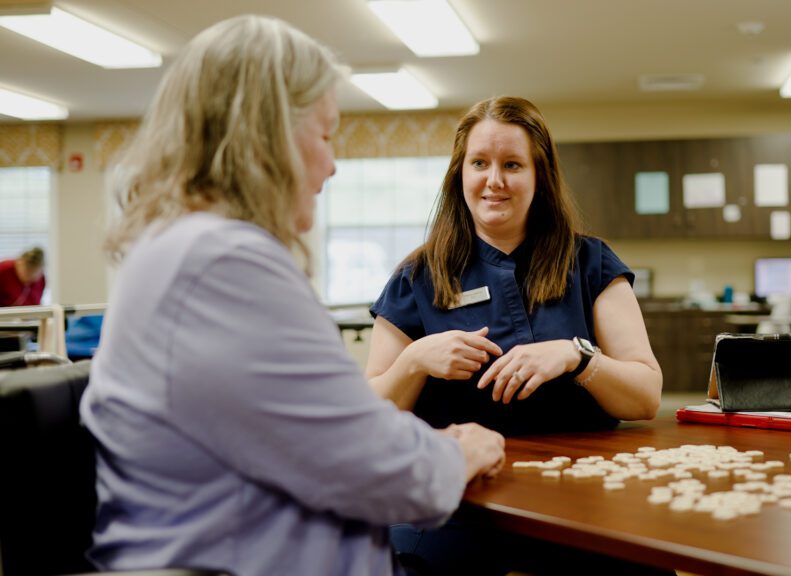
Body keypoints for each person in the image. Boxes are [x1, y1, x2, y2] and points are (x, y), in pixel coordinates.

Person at [79, 15, 504, 576]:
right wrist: (459, 451)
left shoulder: (180, 250)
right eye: (325, 135)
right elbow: (375, 471)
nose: (331, 165)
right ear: (265, 133)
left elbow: (328, 424)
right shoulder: (224, 265)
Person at [365, 96, 663, 574]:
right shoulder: (417, 277)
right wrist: (414, 360)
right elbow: (370, 413)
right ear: (459, 174)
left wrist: (577, 357)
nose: (494, 180)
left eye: (512, 165)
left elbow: (646, 395)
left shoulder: (591, 263)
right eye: (479, 163)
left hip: (581, 492)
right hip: (458, 497)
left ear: (539, 175)